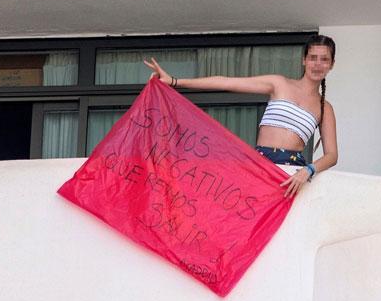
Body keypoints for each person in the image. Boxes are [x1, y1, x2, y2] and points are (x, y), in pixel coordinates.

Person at [144, 35, 338, 197]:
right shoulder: (279, 84)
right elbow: (226, 82)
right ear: (304, 60)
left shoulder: (325, 107)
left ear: (332, 64)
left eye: (324, 59)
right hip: (261, 163)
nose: (318, 64)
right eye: (313, 57)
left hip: (293, 173)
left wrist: (309, 170)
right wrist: (175, 81)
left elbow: (332, 155)